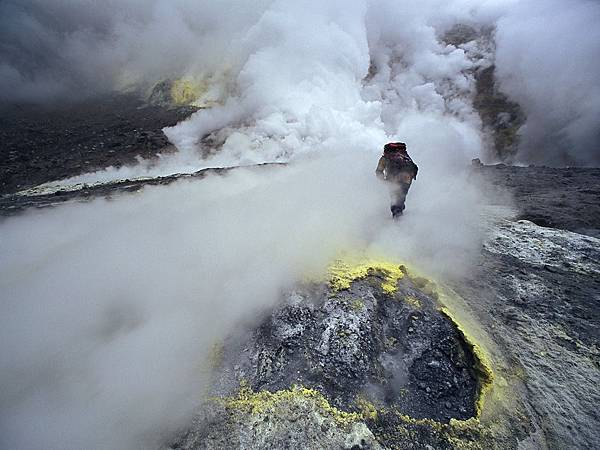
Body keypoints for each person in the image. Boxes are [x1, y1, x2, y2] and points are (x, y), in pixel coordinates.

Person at [375, 142, 418, 218]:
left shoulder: (385, 157)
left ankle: (397, 219)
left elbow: (379, 171)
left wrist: (384, 180)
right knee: (401, 197)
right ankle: (400, 216)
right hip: (407, 179)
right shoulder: (405, 156)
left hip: (394, 179)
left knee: (395, 198)